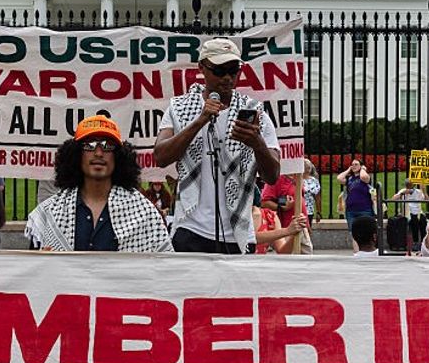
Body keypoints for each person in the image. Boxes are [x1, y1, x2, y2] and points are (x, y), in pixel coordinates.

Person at [153, 37, 280, 254]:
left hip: (239, 232)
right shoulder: (180, 107)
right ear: (202, 67)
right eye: (220, 70)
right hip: (191, 229)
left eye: (234, 70)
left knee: (238, 290)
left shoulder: (254, 111)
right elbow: (161, 156)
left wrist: (256, 143)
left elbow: (272, 176)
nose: (228, 77)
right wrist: (200, 121)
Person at [27, 115, 170, 252]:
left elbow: (165, 267)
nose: (99, 153)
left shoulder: (144, 213)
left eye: (108, 146)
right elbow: (34, 269)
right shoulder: (51, 211)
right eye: (90, 145)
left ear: (118, 156)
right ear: (76, 154)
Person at [338, 158, 376, 248]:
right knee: (353, 232)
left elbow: (363, 177)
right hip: (351, 210)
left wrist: (363, 169)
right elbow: (339, 178)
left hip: (365, 209)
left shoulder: (366, 177)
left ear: (361, 166)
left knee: (367, 231)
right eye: (352, 164)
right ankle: (356, 252)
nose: (353, 166)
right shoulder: (350, 179)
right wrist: (348, 170)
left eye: (356, 164)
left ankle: (367, 250)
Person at [391, 180, 428, 248]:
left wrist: (424, 191)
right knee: (414, 221)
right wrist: (402, 194)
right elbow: (393, 199)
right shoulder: (403, 191)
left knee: (423, 221)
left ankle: (424, 241)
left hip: (418, 212)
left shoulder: (418, 192)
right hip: (408, 212)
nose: (409, 189)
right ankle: (415, 242)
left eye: (411, 187)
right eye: (408, 186)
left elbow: (427, 200)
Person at [301, 159, 322, 224]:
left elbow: (317, 198)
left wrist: (318, 212)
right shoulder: (296, 179)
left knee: (307, 229)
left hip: (309, 211)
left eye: (308, 166)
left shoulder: (314, 181)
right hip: (297, 210)